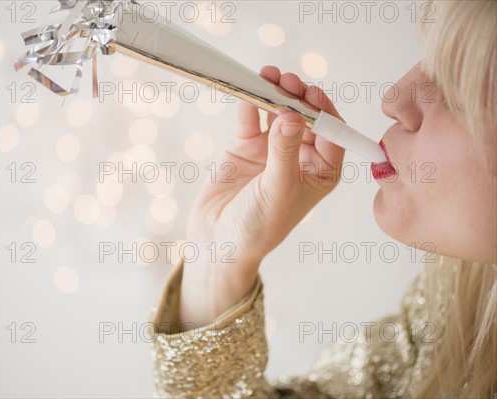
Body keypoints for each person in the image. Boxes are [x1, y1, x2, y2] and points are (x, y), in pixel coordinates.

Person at [148, 1, 496, 397]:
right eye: (429, 57)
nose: (394, 99)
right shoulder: (451, 312)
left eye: (456, 87)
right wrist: (216, 260)